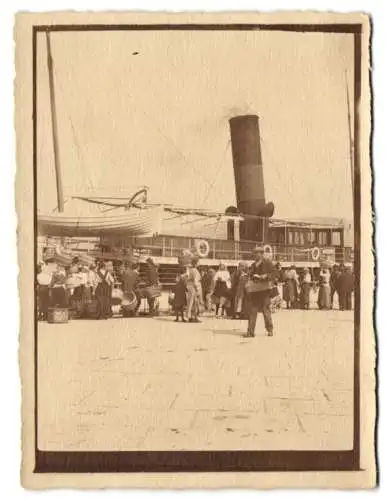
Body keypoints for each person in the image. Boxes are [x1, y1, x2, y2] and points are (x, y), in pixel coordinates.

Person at [245, 245, 275, 337]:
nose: (255, 255)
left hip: (265, 290)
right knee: (252, 311)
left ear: (262, 254)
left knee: (266, 310)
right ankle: (250, 332)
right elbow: (251, 275)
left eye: (256, 254)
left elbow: (274, 274)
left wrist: (265, 276)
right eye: (254, 254)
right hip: (255, 290)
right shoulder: (253, 265)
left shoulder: (268, 263)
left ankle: (270, 330)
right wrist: (249, 275)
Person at [186, 257, 202, 323]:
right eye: (198, 262)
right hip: (194, 287)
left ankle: (189, 316)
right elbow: (195, 281)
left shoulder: (190, 270)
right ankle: (193, 317)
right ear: (196, 263)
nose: (199, 263)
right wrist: (198, 289)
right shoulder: (195, 270)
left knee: (190, 302)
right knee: (195, 302)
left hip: (189, 286)